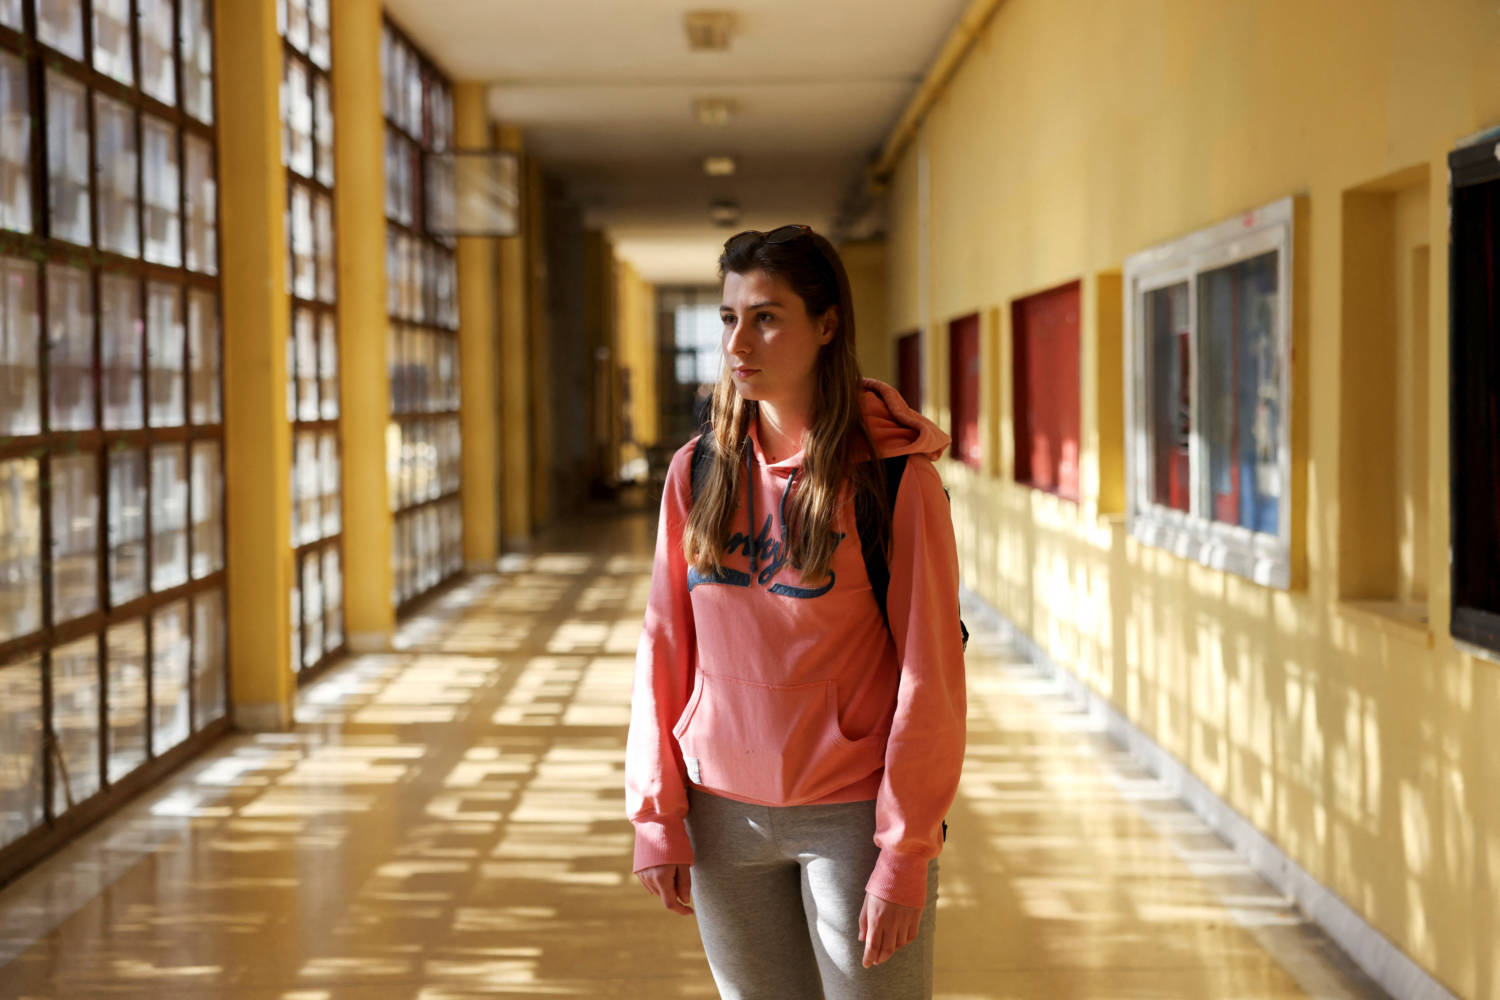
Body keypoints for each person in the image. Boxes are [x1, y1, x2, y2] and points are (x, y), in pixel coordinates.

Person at [625, 224, 967, 999]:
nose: (739, 340)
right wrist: (657, 813)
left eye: (767, 316)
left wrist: (906, 850)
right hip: (721, 816)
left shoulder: (893, 481)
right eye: (728, 318)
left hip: (851, 818)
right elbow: (664, 648)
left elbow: (930, 673)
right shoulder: (698, 471)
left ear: (826, 325)